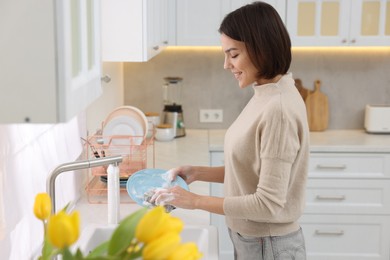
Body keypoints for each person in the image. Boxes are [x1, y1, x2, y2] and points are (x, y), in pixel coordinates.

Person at [151, 1, 309, 259]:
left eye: (233, 54)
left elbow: (268, 204)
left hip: (268, 244)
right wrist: (197, 173)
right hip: (255, 240)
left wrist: (194, 202)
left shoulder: (278, 109)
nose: (226, 64)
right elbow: (251, 170)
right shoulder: (265, 94)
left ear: (262, 50)